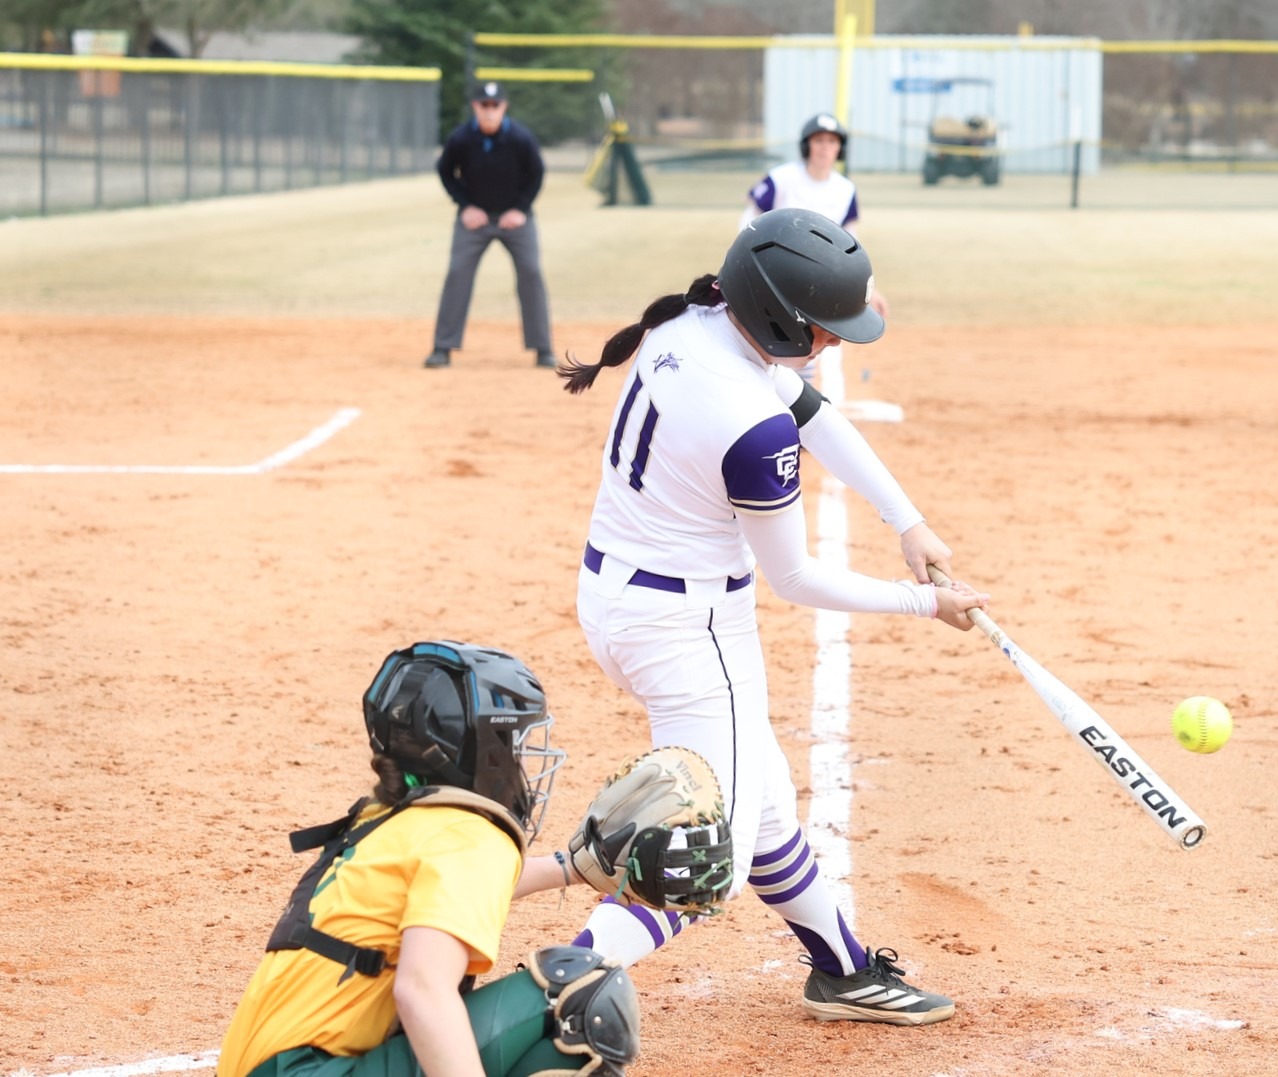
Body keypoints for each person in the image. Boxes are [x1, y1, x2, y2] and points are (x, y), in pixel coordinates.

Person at [556, 207, 988, 1026]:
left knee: (758, 807)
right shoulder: (748, 428)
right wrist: (924, 603)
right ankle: (557, 989)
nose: (830, 345)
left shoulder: (695, 321)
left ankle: (843, 968)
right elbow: (794, 577)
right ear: (780, 315)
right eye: (822, 331)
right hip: (690, 633)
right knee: (697, 857)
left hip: (620, 601)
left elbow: (819, 419)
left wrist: (908, 522)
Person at [218, 641, 640, 1077]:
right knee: (581, 997)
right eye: (511, 741)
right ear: (480, 749)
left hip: (279, 1066)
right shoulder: (470, 836)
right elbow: (422, 991)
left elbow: (449, 891)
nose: (519, 759)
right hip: (307, 1071)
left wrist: (568, 869)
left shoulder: (389, 818)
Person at [740, 114, 888, 384]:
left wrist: (869, 287)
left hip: (826, 280)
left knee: (830, 339)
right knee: (783, 339)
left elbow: (851, 241)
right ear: (807, 145)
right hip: (781, 276)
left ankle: (829, 402)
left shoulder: (845, 189)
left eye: (831, 141)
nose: (824, 147)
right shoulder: (782, 178)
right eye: (818, 140)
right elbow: (749, 219)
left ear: (839, 148)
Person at [424, 81, 558, 370]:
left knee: (531, 272)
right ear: (475, 107)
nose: (489, 111)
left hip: (514, 218)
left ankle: (543, 348)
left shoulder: (521, 138)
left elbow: (536, 174)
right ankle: (442, 347)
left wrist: (520, 209)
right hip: (476, 219)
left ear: (504, 107)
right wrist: (465, 205)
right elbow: (445, 171)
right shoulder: (461, 138)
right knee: (458, 272)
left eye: (494, 105)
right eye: (483, 105)